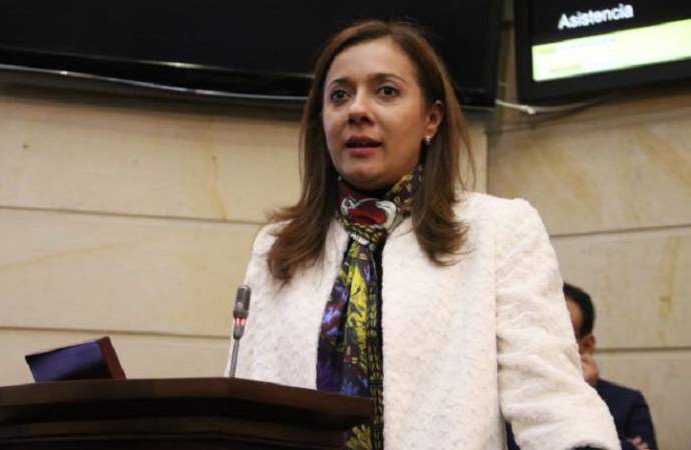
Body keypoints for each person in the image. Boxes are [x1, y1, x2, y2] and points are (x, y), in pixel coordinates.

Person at [230, 20, 619, 450]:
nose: (357, 110)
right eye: (339, 95)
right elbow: (245, 401)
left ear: (431, 119)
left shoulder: (498, 229)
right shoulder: (278, 244)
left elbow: (549, 396)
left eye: (386, 91)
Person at [507, 283, 659, 450]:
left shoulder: (628, 404)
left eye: (560, 335)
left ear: (586, 345)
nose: (544, 343)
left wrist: (584, 400)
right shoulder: (508, 401)